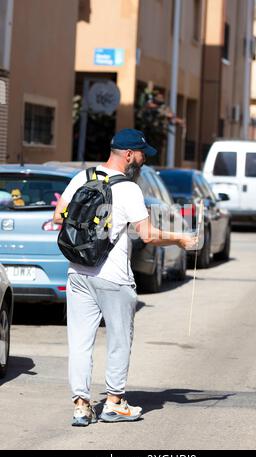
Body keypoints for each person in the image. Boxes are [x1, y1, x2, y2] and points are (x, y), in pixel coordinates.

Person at [53, 128, 198, 426]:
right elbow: (147, 234)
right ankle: (114, 403)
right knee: (119, 340)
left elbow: (59, 216)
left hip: (78, 272)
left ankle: (81, 406)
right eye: (143, 154)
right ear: (129, 155)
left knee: (80, 342)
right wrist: (180, 239)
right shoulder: (128, 189)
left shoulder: (83, 177)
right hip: (113, 276)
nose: (144, 160)